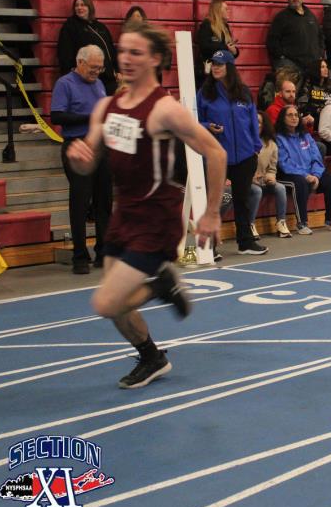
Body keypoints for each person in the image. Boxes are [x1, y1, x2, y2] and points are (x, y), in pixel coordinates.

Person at [65, 20, 227, 389]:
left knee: (107, 303)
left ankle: (161, 287)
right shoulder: (106, 107)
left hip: (156, 219)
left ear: (155, 59)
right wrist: (78, 158)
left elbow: (216, 152)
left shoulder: (164, 110)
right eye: (122, 51)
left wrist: (211, 212)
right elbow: (89, 161)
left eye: (135, 52)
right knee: (119, 306)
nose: (125, 58)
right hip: (124, 214)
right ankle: (152, 357)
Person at [197, 50, 267, 255]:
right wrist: (207, 126)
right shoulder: (205, 93)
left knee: (242, 201)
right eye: (213, 64)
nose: (215, 67)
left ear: (229, 67)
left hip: (245, 156)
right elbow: (195, 120)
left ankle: (245, 242)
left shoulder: (243, 92)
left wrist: (255, 148)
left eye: (220, 64)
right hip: (218, 156)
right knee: (214, 201)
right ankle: (209, 247)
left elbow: (253, 121)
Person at [51, 45, 112, 274]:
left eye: (100, 68)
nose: (97, 72)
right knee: (80, 203)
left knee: (104, 202)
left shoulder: (99, 84)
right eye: (93, 67)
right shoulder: (64, 84)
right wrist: (91, 117)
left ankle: (103, 252)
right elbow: (57, 116)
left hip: (100, 147)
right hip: (76, 146)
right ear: (80, 62)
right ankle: (80, 256)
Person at [275, 104, 331, 233]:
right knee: (301, 182)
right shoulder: (278, 138)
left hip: (310, 173)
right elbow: (284, 163)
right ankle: (302, 223)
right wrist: (305, 175)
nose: (294, 118)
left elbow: (316, 158)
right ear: (283, 118)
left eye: (296, 115)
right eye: (290, 115)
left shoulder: (305, 136)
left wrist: (316, 175)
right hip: (287, 175)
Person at [57, 0, 119, 96]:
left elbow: (111, 49)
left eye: (83, 5)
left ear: (89, 7)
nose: (79, 8)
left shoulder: (101, 27)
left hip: (107, 77)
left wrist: (117, 70)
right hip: (86, 77)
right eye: (77, 5)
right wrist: (71, 72)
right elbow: (64, 52)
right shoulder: (70, 26)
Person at [266, 0, 325, 89]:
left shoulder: (311, 15)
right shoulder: (281, 17)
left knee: (313, 96)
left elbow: (320, 36)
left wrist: (320, 54)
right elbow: (272, 41)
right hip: (291, 66)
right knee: (290, 95)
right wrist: (282, 58)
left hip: (312, 66)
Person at [247, 111, 292, 238]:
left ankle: (281, 222)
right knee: (256, 191)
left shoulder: (271, 144)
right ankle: (249, 224)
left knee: (280, 188)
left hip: (262, 180)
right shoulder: (243, 141)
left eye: (259, 122)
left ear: (264, 125)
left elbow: (272, 168)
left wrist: (271, 176)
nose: (255, 124)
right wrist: (250, 178)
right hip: (246, 182)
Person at [196, 0, 239, 88]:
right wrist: (225, 47)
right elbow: (204, 46)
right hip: (210, 71)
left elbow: (229, 47)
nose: (229, 11)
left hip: (224, 71)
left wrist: (235, 51)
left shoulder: (225, 27)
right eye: (226, 9)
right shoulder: (207, 25)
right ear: (218, 10)